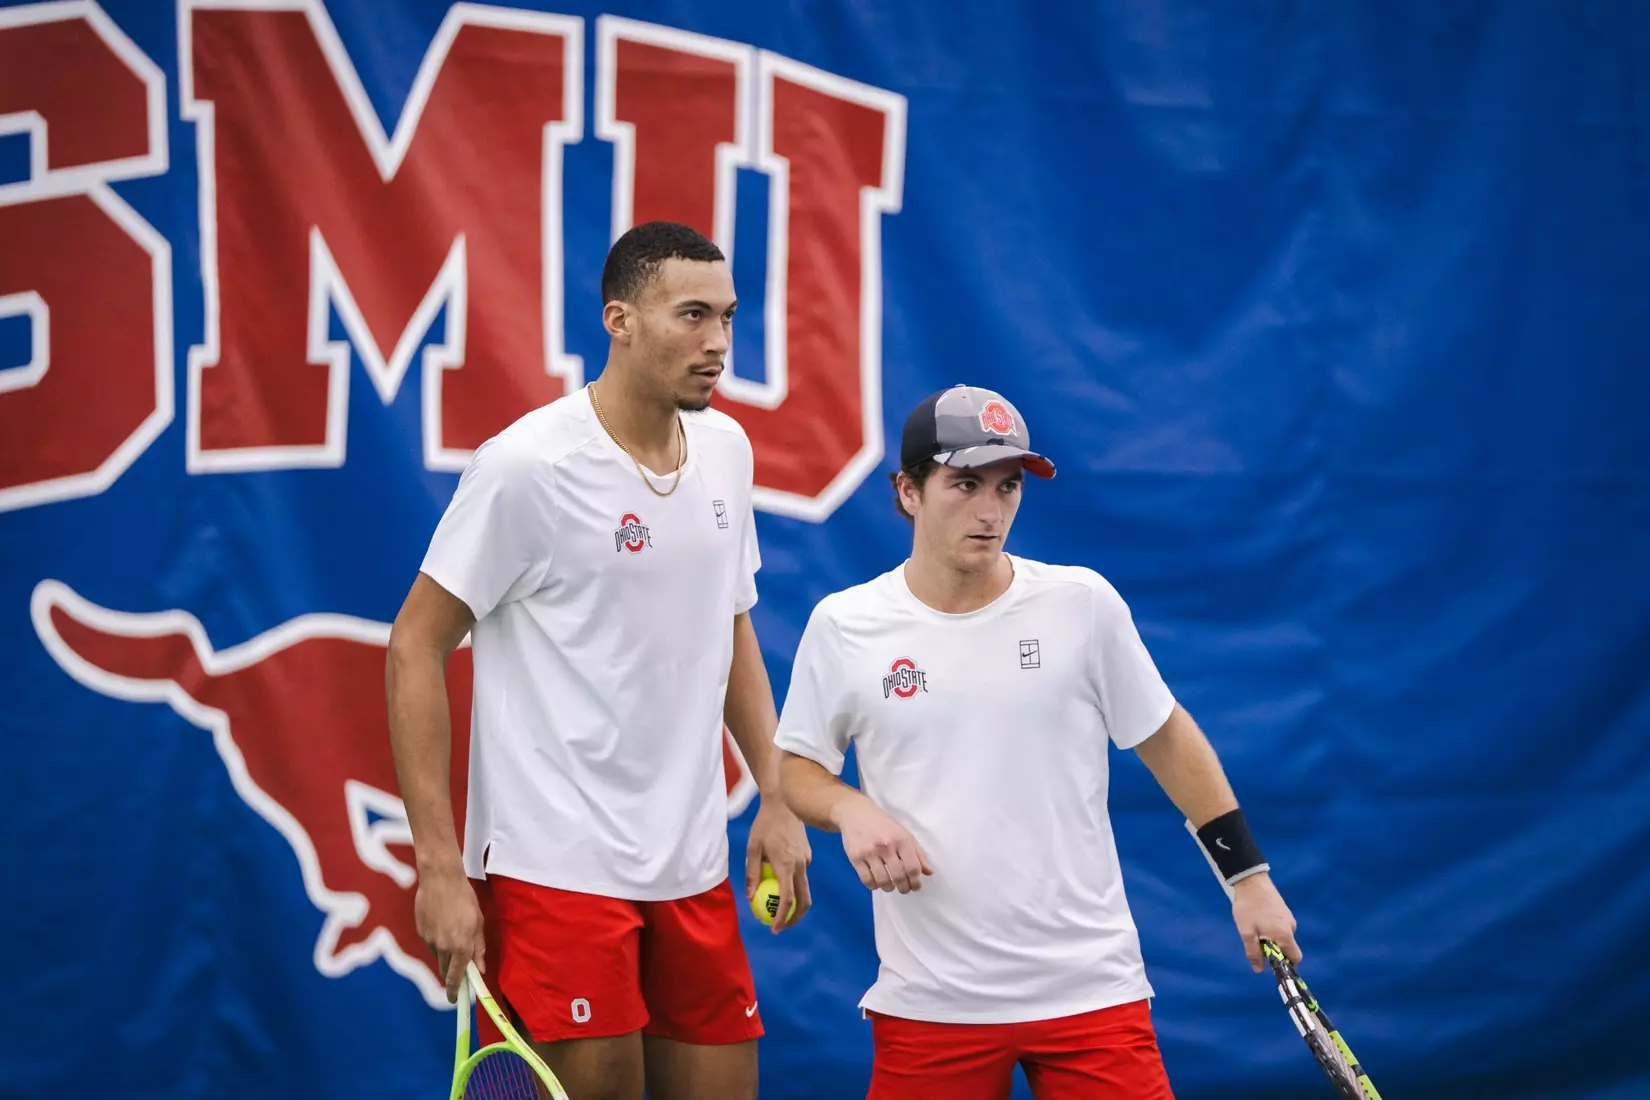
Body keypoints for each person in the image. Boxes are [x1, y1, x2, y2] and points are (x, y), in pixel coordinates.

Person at [775, 384, 1300, 1099]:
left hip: (1089, 992)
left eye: (1008, 486)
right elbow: (799, 771)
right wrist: (851, 810)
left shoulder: (1082, 605)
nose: (991, 511)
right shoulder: (844, 625)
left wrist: (1250, 881)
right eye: (965, 484)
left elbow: (1170, 742)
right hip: (932, 1005)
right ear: (908, 491)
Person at [386, 220, 811, 1100]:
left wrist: (774, 792)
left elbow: (727, 628)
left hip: (692, 865)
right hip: (555, 871)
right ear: (619, 320)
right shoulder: (527, 467)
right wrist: (437, 865)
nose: (718, 343)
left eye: (728, 317)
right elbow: (414, 645)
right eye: (692, 316)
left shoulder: (726, 452)